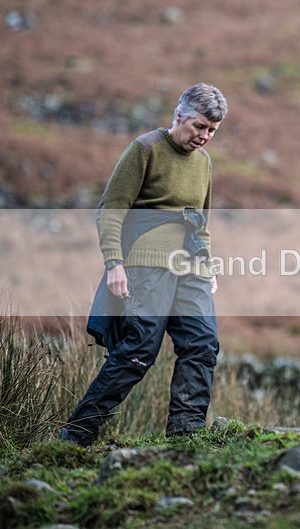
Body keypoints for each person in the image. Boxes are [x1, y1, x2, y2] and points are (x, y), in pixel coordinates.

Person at [60, 83, 228, 446]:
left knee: (203, 344)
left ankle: (185, 433)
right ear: (179, 115)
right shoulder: (145, 148)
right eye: (199, 126)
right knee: (138, 351)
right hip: (146, 265)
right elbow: (110, 209)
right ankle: (78, 432)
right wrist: (114, 264)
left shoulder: (204, 163)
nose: (204, 136)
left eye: (212, 131)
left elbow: (202, 221)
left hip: (191, 268)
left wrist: (208, 267)